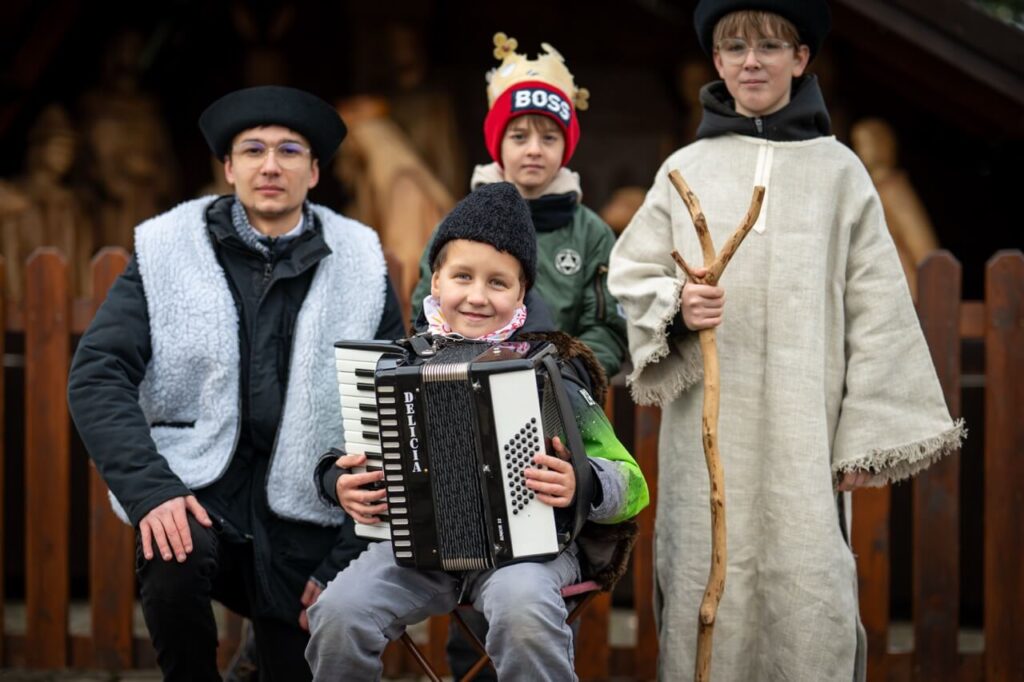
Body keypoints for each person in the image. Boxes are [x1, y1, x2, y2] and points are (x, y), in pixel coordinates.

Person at [607, 2, 965, 680]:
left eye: (770, 46)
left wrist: (865, 434)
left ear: (801, 59)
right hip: (706, 443)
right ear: (716, 61)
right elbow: (630, 274)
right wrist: (678, 305)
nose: (752, 61)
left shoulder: (841, 174)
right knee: (705, 579)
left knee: (809, 585)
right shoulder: (684, 169)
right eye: (735, 47)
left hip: (806, 433)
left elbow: (878, 307)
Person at [67, 85, 406, 682]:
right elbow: (98, 373)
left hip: (308, 516)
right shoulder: (167, 247)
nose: (270, 165)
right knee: (172, 552)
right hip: (202, 495)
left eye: (289, 151)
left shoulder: (359, 259)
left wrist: (345, 557)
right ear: (228, 167)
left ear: (315, 171)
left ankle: (258, 658)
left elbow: (389, 410)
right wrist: (152, 491)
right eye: (252, 150)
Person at [305, 182, 649, 682]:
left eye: (498, 282)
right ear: (436, 280)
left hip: (529, 557)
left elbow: (631, 483)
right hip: (419, 552)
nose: (476, 296)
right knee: (339, 612)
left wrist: (584, 482)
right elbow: (348, 455)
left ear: (521, 292)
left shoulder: (555, 370)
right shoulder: (400, 365)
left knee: (523, 611)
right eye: (462, 276)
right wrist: (337, 482)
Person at [410, 32, 627, 382]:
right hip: (460, 381)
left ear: (566, 146)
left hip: (558, 387)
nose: (534, 150)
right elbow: (425, 307)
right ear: (498, 143)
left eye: (549, 137)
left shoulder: (591, 233)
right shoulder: (456, 227)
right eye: (519, 136)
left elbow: (606, 327)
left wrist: (565, 375)